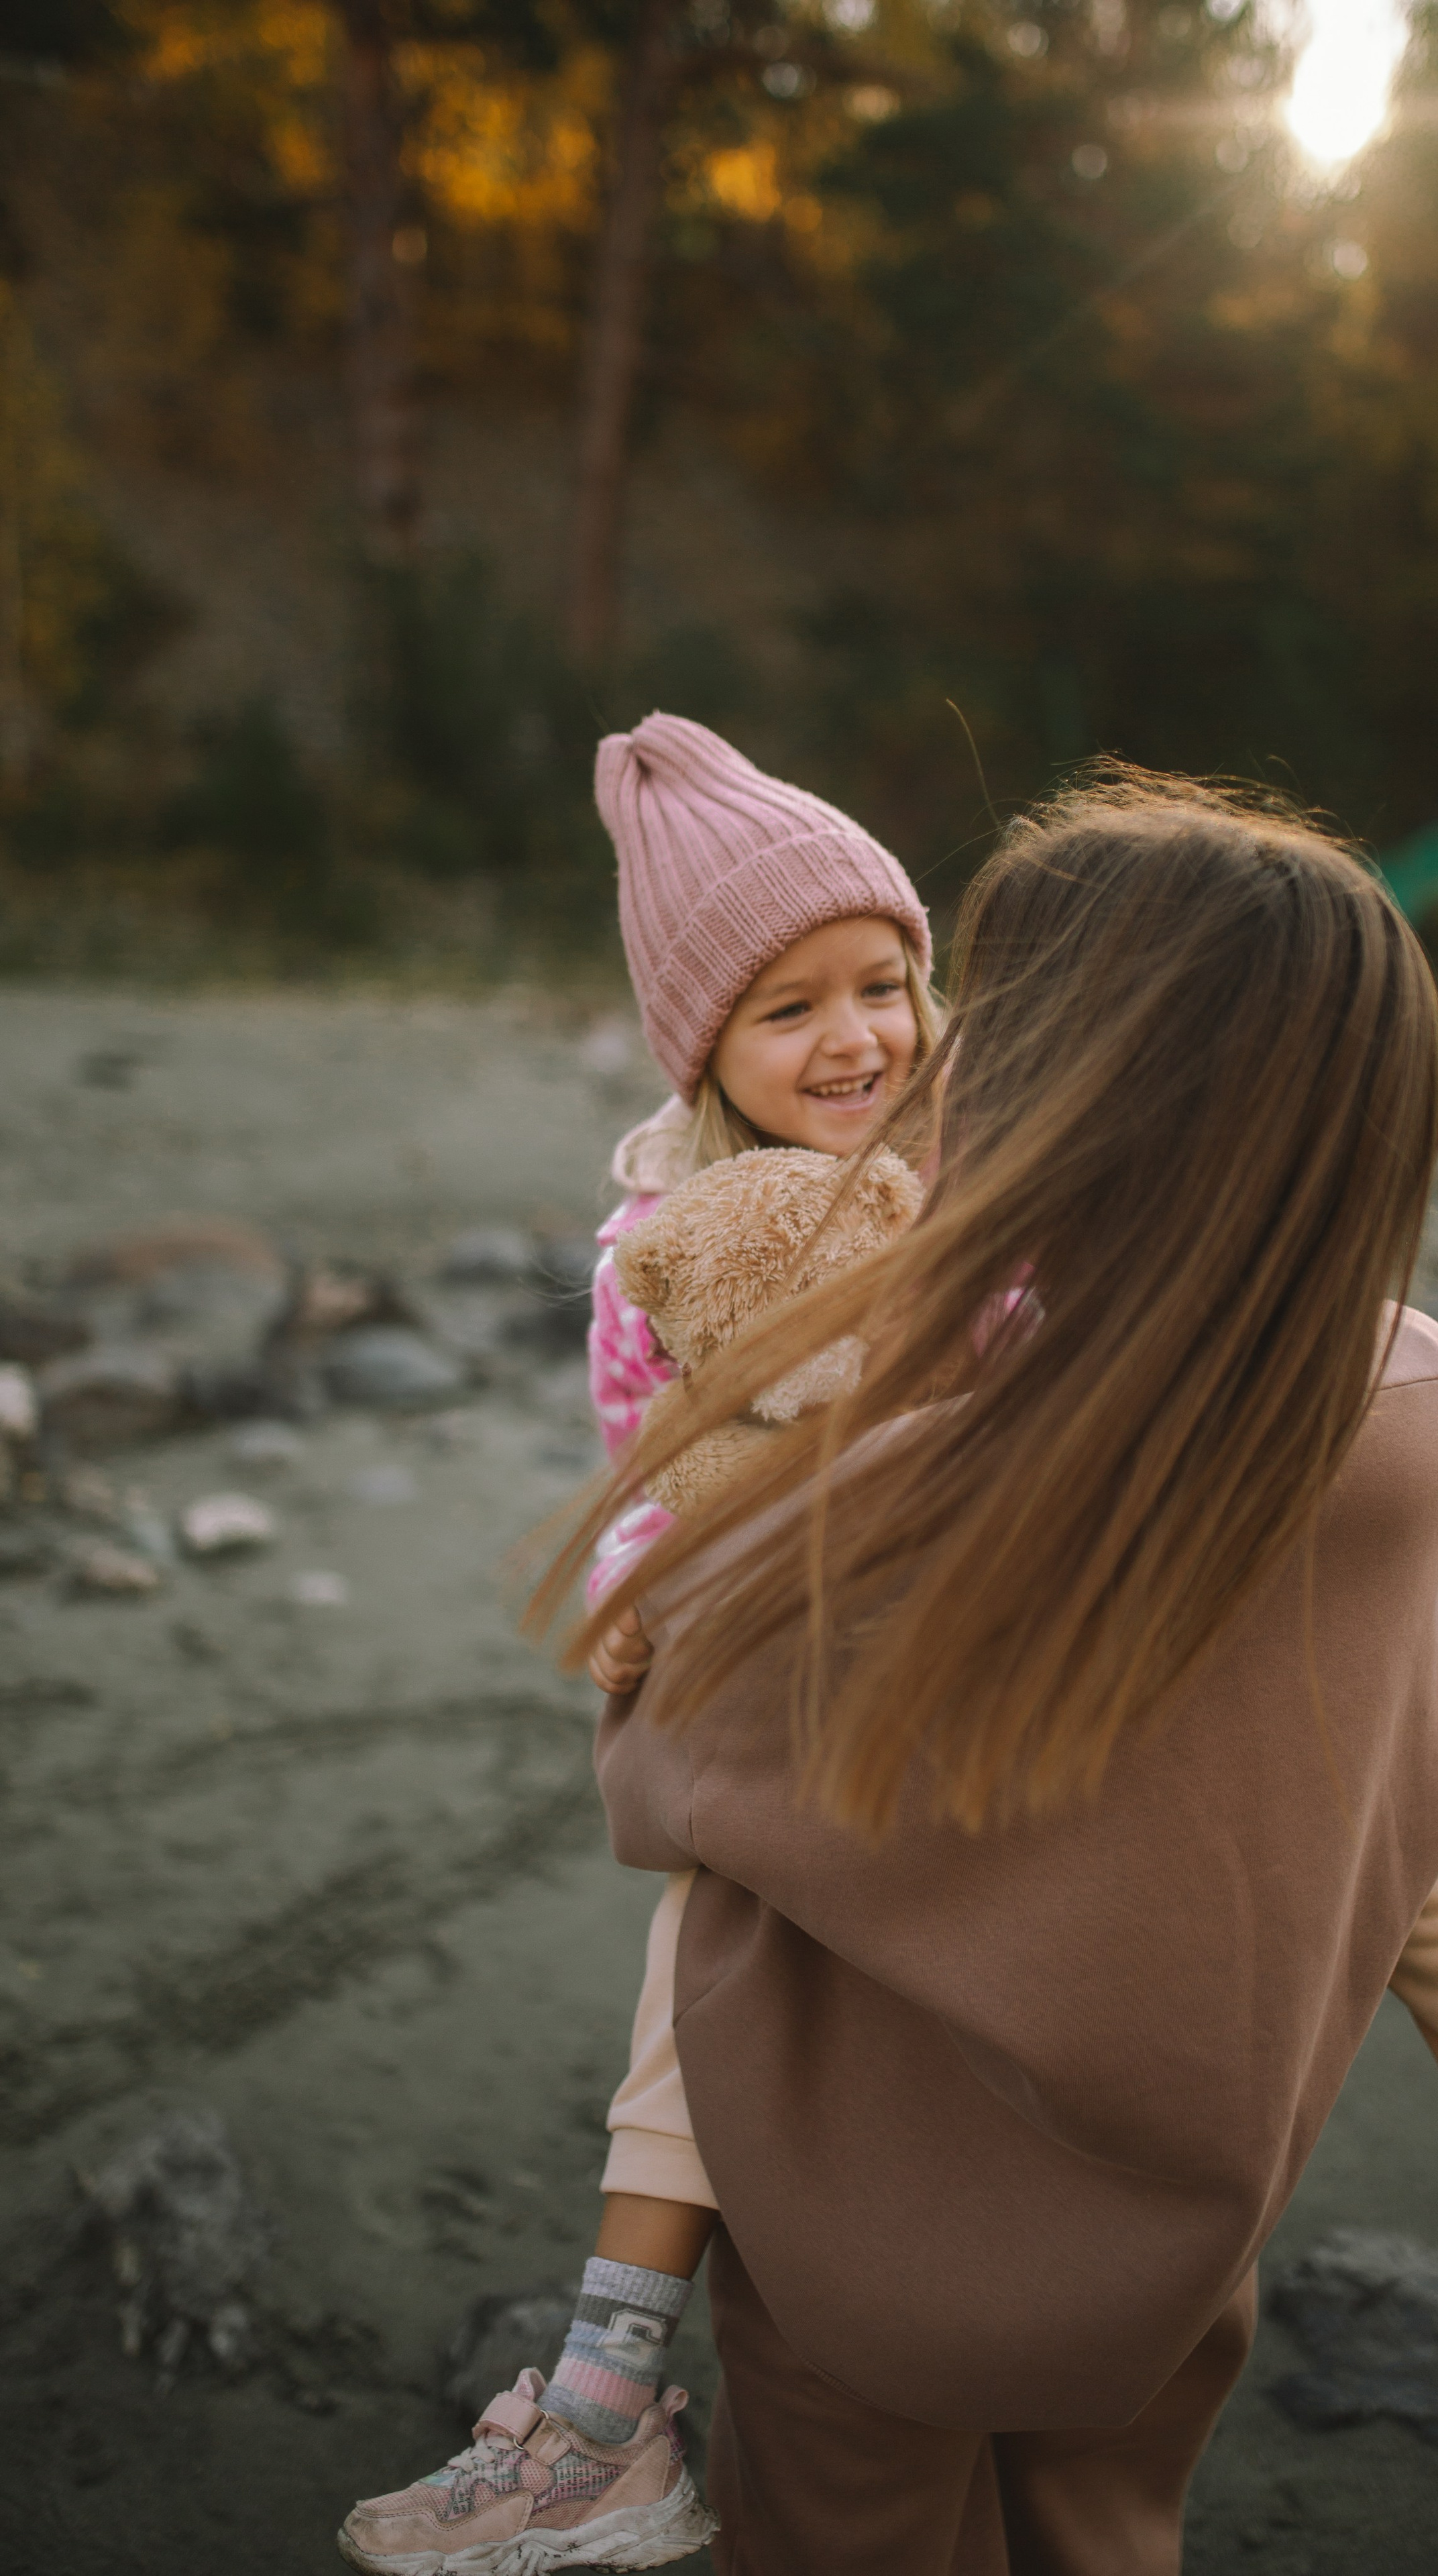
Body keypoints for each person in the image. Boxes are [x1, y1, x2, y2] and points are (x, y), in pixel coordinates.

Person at [562, 773, 1438, 2573]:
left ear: (1059, 1088)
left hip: (869, 2257)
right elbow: (1416, 1842)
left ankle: (592, 2397)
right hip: (1174, 2265)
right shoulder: (1396, 1397)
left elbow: (673, 1792)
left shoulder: (925, 1470)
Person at [339, 715, 941, 2576]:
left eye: (888, 983)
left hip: (977, 1652)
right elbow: (647, 1485)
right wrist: (664, 1598)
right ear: (703, 1049)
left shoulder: (979, 1190)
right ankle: (610, 2398)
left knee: (1417, 1846)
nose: (857, 1039)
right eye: (789, 1011)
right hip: (788, 1673)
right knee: (712, 1937)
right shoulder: (654, 1254)